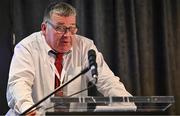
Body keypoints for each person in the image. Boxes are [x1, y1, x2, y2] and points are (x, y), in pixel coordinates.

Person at [6, 1, 136, 115]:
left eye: (72, 28)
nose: (67, 35)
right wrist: (28, 110)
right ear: (44, 28)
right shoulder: (26, 48)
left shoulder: (85, 47)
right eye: (60, 28)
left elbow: (108, 81)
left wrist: (127, 104)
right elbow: (19, 84)